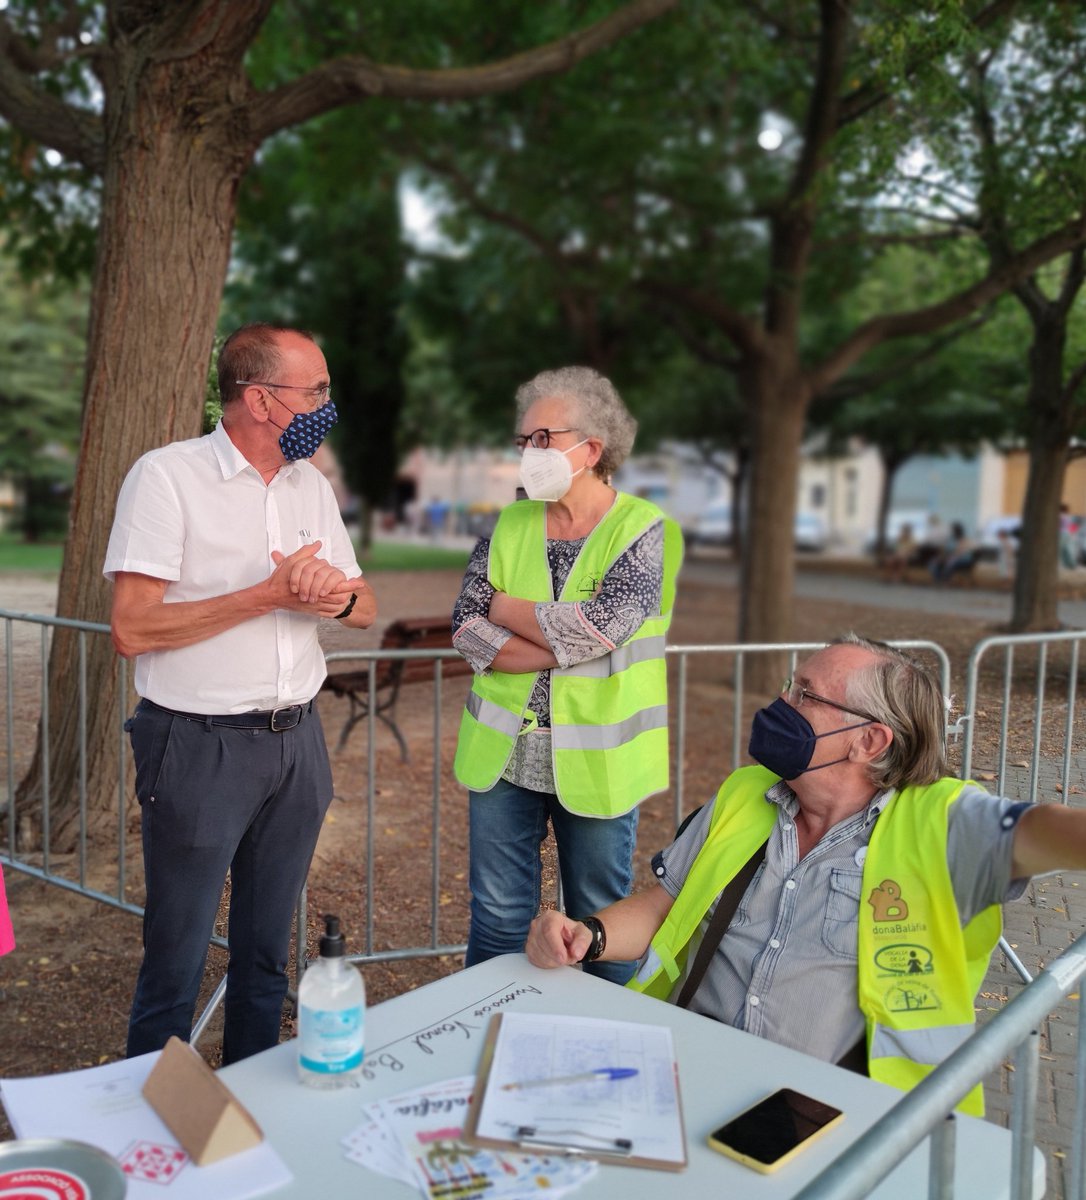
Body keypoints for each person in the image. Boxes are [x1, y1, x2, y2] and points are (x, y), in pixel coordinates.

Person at [526, 633, 1086, 1115]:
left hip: (839, 1112)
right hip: (692, 1064)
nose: (780, 704)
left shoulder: (942, 823)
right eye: (789, 687)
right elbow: (665, 904)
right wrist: (587, 935)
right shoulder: (746, 794)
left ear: (869, 741)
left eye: (805, 695)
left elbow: (1043, 831)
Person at [104, 323, 377, 1064]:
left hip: (298, 742)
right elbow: (131, 628)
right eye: (315, 391)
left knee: (266, 953)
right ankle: (152, 1110)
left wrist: (331, 594)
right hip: (198, 746)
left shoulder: (310, 484)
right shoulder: (166, 477)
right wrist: (267, 595)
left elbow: (363, 605)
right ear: (260, 400)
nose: (327, 405)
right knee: (177, 953)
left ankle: (252, 1093)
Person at [452, 366, 683, 985]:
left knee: (598, 926)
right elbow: (466, 629)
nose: (528, 453)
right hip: (503, 757)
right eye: (523, 440)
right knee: (497, 920)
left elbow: (602, 629)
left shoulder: (644, 530)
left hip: (599, 764)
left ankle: (599, 1035)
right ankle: (492, 1029)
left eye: (542, 438)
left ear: (592, 448)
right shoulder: (508, 524)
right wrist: (567, 641)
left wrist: (505, 607)